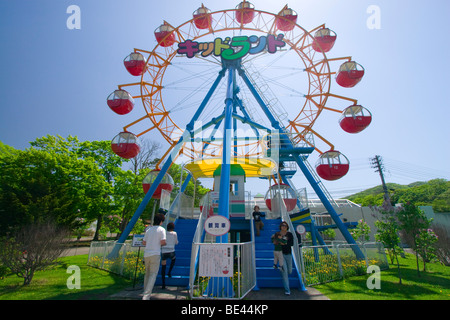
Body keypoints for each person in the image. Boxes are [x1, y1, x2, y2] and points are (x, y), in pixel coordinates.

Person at [142, 213, 166, 300]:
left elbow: (144, 242)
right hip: (155, 254)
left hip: (147, 254)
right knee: (153, 274)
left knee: (147, 274)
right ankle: (146, 295)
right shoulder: (162, 230)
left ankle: (145, 291)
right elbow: (163, 242)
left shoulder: (149, 230)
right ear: (161, 221)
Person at [161, 222, 178, 289]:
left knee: (163, 267)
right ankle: (169, 272)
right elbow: (176, 242)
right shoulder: (174, 233)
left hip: (164, 251)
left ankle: (163, 284)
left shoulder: (164, 233)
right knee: (173, 259)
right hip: (171, 251)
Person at [278, 221, 294, 295]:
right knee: (285, 273)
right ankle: (287, 290)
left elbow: (291, 243)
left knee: (289, 271)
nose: (283, 226)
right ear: (280, 227)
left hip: (288, 254)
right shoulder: (278, 234)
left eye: (285, 225)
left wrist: (283, 242)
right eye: (282, 225)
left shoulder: (290, 234)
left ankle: (282, 269)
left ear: (287, 227)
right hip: (281, 254)